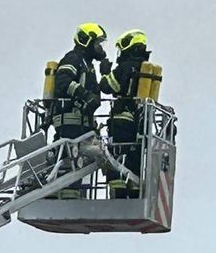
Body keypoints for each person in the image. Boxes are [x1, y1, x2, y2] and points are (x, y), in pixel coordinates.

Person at [49, 23, 109, 199]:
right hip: (70, 124)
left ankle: (69, 198)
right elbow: (63, 81)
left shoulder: (88, 65)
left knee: (77, 166)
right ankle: (64, 200)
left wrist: (106, 73)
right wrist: (85, 95)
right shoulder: (73, 59)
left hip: (82, 126)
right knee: (69, 165)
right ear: (86, 41)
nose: (100, 48)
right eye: (98, 43)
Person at [99, 29, 150, 198]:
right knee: (134, 158)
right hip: (140, 120)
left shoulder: (126, 66)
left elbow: (108, 87)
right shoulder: (145, 67)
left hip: (122, 119)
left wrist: (105, 72)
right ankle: (134, 193)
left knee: (116, 155)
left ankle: (119, 195)